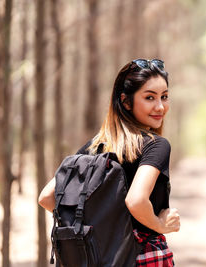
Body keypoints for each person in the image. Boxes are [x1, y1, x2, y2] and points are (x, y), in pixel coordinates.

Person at [38, 59, 180, 266]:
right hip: (142, 257)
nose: (160, 106)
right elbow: (136, 200)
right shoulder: (155, 145)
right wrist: (159, 224)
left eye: (164, 97)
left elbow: (47, 197)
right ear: (126, 101)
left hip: (99, 258)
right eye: (149, 97)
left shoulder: (96, 146)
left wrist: (101, 227)